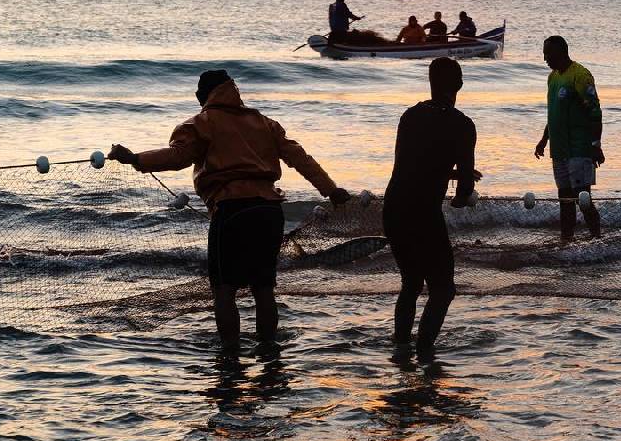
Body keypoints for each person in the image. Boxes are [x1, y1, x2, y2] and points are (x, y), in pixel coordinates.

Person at [108, 70, 350, 351]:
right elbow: (300, 158)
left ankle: (230, 356)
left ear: (203, 96)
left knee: (224, 290)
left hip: (233, 210)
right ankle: (269, 351)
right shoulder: (264, 123)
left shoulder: (201, 123)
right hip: (269, 211)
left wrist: (135, 158)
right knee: (263, 289)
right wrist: (331, 190)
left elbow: (178, 157)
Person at [383, 57, 478, 356]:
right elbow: (463, 194)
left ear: (430, 83)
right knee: (443, 289)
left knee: (411, 282)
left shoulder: (409, 116)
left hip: (394, 208)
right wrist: (461, 194)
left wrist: (449, 174)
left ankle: (400, 347)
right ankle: (424, 353)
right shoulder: (463, 125)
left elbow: (411, 163)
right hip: (424, 213)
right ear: (460, 84)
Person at [534, 35, 603, 241]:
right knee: (564, 198)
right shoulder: (553, 77)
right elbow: (555, 112)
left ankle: (597, 238)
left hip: (579, 149)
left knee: (582, 198)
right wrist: (544, 139)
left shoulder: (580, 75)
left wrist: (596, 145)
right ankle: (566, 240)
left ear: (562, 52)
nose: (545, 58)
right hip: (559, 149)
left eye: (549, 54)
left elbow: (595, 112)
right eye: (544, 53)